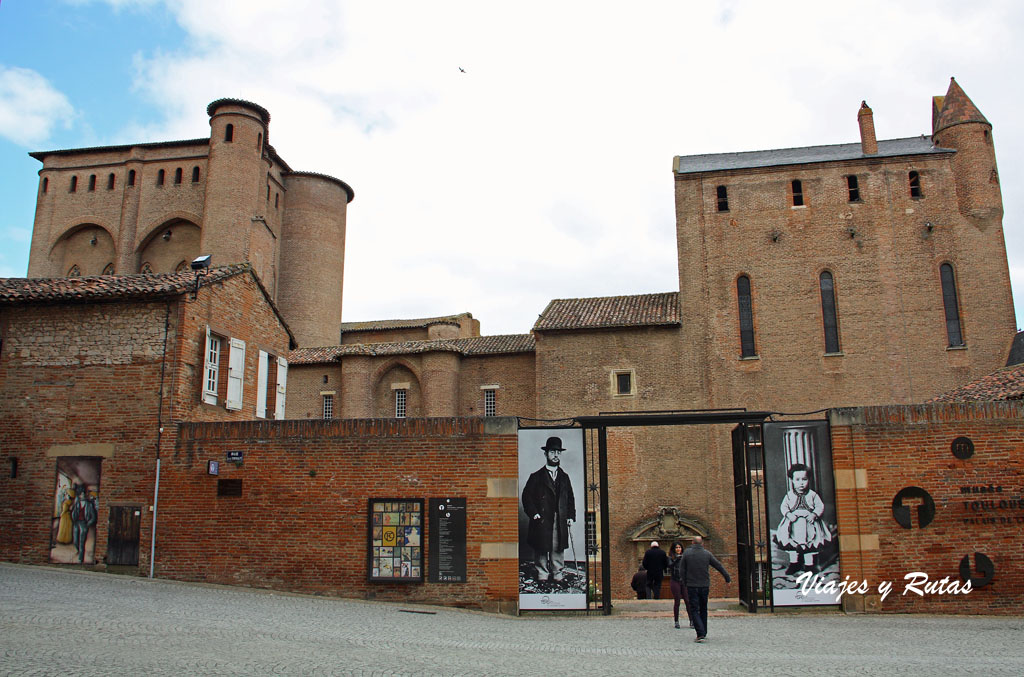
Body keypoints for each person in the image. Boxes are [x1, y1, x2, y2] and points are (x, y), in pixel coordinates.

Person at [521, 436, 576, 585]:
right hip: (542, 518)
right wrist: (534, 514)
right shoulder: (536, 477)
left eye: (558, 452)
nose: (556, 455)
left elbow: (570, 498)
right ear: (546, 454)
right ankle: (542, 573)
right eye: (552, 451)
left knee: (558, 546)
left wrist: (570, 515)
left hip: (559, 517)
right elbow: (527, 497)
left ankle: (557, 573)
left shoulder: (565, 478)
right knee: (541, 546)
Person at [774, 463, 832, 575]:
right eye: (797, 479)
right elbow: (784, 506)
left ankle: (810, 566)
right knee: (792, 545)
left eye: (804, 479)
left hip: (810, 525)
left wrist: (814, 514)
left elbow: (820, 506)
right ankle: (794, 564)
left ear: (809, 479)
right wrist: (788, 514)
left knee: (810, 544)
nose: (801, 483)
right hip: (793, 525)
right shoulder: (789, 495)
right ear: (792, 480)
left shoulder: (813, 495)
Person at [681, 536, 730, 643]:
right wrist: (726, 576)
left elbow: (682, 570)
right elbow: (718, 565)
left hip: (692, 585)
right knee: (703, 608)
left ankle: (700, 632)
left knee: (694, 609)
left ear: (692, 542)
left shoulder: (687, 554)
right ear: (702, 543)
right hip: (704, 585)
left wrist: (685, 583)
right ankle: (704, 631)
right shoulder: (707, 554)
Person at [669, 541, 693, 628]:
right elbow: (670, 566)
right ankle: (676, 621)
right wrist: (677, 560)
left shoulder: (685, 557)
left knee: (687, 600)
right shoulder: (670, 557)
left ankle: (691, 620)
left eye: (679, 547)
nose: (678, 549)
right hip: (675, 580)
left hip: (684, 581)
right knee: (677, 601)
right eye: (676, 547)